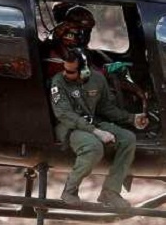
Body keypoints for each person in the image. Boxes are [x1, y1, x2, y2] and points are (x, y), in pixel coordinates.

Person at [49, 50, 149, 208]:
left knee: (128, 139)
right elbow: (65, 114)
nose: (66, 74)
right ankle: (69, 191)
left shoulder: (97, 79)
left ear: (84, 70)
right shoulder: (59, 82)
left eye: (71, 71)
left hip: (94, 122)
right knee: (93, 147)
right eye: (65, 70)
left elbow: (106, 108)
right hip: (70, 127)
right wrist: (97, 132)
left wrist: (131, 118)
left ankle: (110, 192)